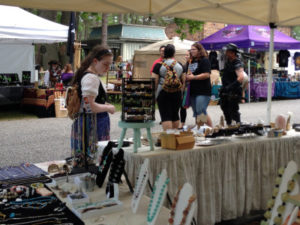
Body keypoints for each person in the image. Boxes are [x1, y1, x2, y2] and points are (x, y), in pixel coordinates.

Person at [71, 45, 115, 166]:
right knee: (93, 159)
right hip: (93, 124)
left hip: (87, 122)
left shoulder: (85, 74)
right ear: (95, 61)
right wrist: (109, 108)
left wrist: (103, 103)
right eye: (105, 64)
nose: (107, 68)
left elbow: (88, 102)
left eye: (109, 65)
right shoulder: (91, 78)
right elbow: (89, 106)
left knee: (84, 158)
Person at [152, 44, 184, 130]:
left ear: (164, 53)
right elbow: (183, 81)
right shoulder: (180, 65)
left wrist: (154, 94)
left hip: (163, 92)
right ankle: (174, 136)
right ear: (174, 53)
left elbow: (154, 82)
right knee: (175, 115)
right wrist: (181, 92)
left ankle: (168, 138)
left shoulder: (158, 65)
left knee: (166, 116)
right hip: (177, 92)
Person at [186, 43, 212, 128]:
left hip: (203, 90)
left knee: (200, 110)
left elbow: (207, 74)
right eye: (191, 50)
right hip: (193, 90)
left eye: (194, 49)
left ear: (199, 50)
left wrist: (194, 77)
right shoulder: (191, 61)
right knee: (197, 112)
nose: (192, 51)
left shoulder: (204, 60)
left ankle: (211, 129)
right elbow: (188, 73)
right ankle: (200, 130)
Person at [219, 43, 245, 125]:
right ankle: (229, 125)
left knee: (233, 110)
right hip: (227, 90)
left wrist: (230, 87)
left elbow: (241, 77)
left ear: (233, 53)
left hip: (233, 91)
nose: (226, 53)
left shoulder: (237, 63)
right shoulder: (228, 62)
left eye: (228, 51)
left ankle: (237, 126)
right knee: (225, 108)